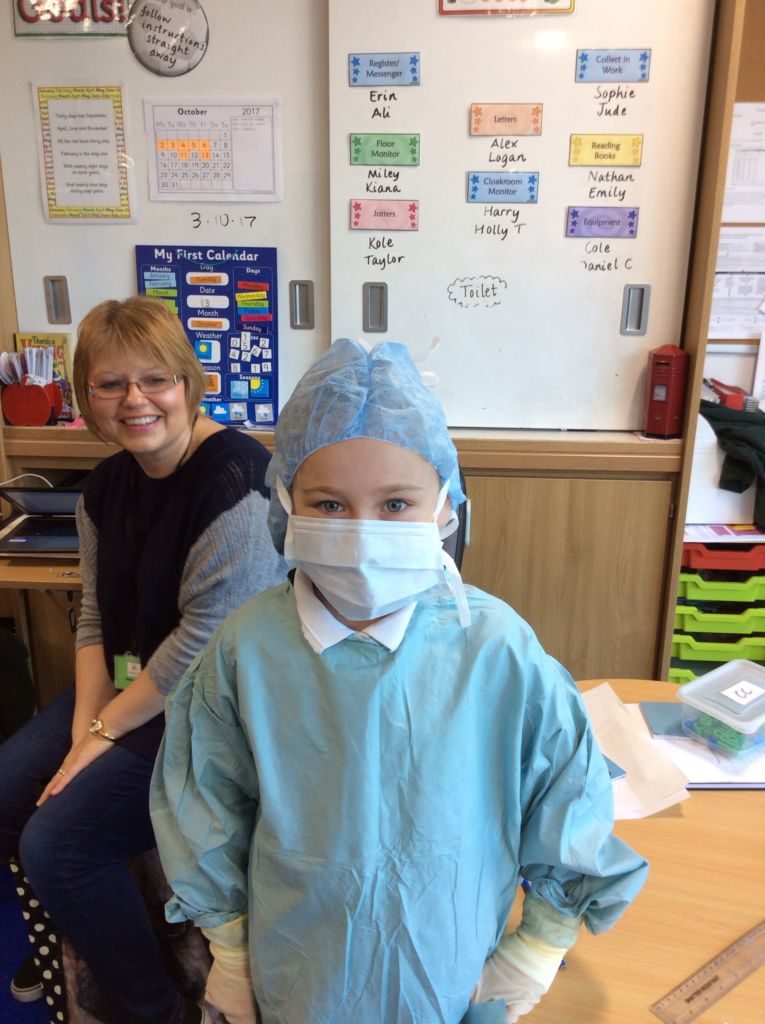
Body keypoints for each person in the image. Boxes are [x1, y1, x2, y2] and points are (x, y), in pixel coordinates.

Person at [150, 338, 649, 1024]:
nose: (361, 531)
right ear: (284, 501)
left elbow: (565, 791)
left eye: (394, 505)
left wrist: (538, 945)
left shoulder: (495, 649)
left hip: (448, 966)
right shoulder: (247, 650)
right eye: (328, 505)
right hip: (301, 970)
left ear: (445, 506)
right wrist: (231, 952)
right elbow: (205, 808)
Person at [0, 296, 286, 1024]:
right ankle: (94, 930)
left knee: (57, 844)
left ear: (189, 382)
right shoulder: (105, 487)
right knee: (8, 790)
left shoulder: (239, 481)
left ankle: (153, 1006)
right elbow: (95, 618)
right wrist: (83, 733)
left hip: (214, 707)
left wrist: (99, 735)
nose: (135, 400)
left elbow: (200, 645)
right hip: (136, 693)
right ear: (87, 396)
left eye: (155, 379)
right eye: (110, 384)